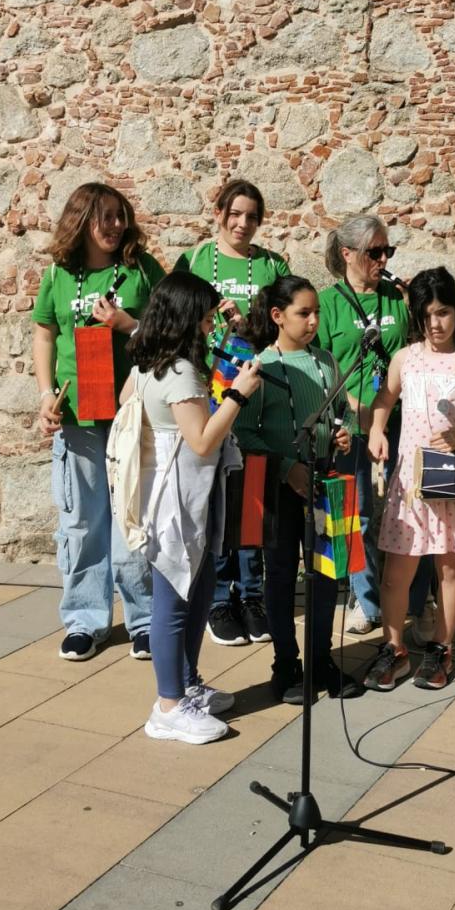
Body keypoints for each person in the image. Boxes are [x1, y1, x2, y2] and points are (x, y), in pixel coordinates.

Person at [122, 272, 262, 745]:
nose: (208, 328)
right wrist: (238, 394)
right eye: (203, 320)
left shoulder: (148, 362)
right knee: (175, 601)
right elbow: (202, 441)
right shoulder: (180, 371)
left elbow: (127, 402)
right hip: (177, 498)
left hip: (179, 493)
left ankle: (186, 684)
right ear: (186, 318)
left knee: (197, 591)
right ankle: (168, 706)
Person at [32, 182, 164, 661]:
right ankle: (85, 621)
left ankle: (145, 620)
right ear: (81, 220)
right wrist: (45, 394)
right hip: (78, 416)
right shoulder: (58, 273)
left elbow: (170, 330)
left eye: (120, 216)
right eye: (105, 217)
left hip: (133, 413)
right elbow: (44, 333)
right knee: (82, 522)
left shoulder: (142, 270)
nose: (115, 226)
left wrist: (127, 324)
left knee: (133, 517)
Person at [364, 267, 455, 692]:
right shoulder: (405, 358)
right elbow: (384, 399)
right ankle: (394, 649)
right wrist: (376, 430)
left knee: (450, 566)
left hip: (453, 477)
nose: (435, 324)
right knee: (396, 572)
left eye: (442, 312)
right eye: (425, 315)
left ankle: (442, 648)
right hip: (411, 480)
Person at [175, 178, 290, 648]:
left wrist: (249, 324)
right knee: (215, 496)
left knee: (253, 496)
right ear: (219, 212)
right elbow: (176, 315)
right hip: (207, 394)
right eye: (235, 213)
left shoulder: (273, 265)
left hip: (256, 394)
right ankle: (219, 598)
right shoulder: (195, 260)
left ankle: (252, 595)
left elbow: (285, 325)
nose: (243, 223)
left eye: (252, 216)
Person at [233, 276, 358, 705]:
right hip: (279, 486)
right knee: (282, 573)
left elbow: (343, 412)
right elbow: (243, 432)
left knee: (326, 574)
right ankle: (286, 662)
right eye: (304, 313)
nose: (313, 321)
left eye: (317, 312)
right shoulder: (261, 367)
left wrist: (344, 432)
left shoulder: (326, 361)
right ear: (277, 316)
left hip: (324, 481)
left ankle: (321, 659)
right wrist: (287, 468)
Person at [317, 215, 436, 642]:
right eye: (375, 252)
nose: (383, 259)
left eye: (388, 251)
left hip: (403, 416)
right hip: (350, 421)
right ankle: (364, 600)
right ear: (347, 254)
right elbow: (323, 364)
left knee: (415, 508)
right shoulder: (328, 303)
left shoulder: (395, 298)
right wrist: (358, 410)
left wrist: (414, 304)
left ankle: (420, 603)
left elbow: (423, 349)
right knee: (357, 513)